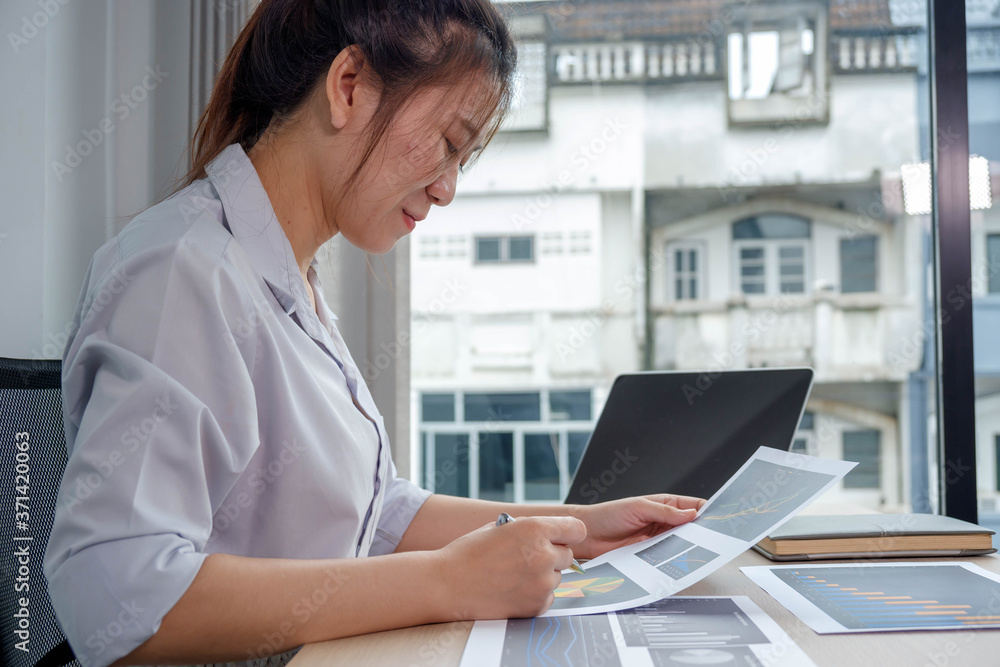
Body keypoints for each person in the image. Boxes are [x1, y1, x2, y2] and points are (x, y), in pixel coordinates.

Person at [42, 1, 705, 666]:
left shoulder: (288, 280)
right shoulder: (181, 270)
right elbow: (114, 595)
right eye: (450, 143)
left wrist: (579, 528)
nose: (447, 190)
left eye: (463, 162)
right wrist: (447, 581)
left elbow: (376, 512)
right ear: (349, 86)